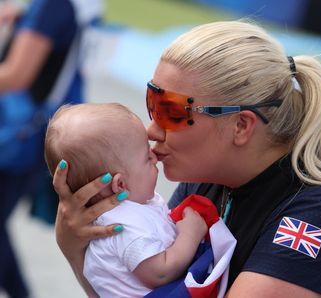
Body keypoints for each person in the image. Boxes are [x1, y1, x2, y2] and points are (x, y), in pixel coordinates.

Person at [51, 21, 321, 297]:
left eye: (171, 111)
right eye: (151, 102)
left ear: (241, 126)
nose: (150, 129)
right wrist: (75, 249)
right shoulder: (204, 179)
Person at [44, 102, 208, 297]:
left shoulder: (133, 209)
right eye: (147, 158)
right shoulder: (124, 226)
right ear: (120, 185)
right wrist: (190, 234)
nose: (154, 156)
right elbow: (160, 273)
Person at [0, 0, 102, 296]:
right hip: (41, 130)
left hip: (20, 134)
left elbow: (17, 75)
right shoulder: (79, 6)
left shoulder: (53, 5)